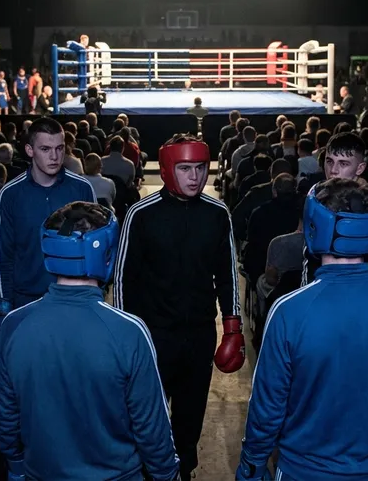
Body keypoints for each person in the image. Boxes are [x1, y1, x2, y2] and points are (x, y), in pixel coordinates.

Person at [239, 179, 368, 481]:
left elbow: (268, 405)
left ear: (315, 226)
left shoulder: (290, 311)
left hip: (303, 471)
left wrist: (252, 463)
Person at [0, 202, 181, 481]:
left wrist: (17, 467)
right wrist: (167, 474)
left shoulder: (13, 326)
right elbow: (151, 426)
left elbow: (5, 417)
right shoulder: (128, 331)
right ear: (106, 254)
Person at [113, 134, 242, 481]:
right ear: (169, 168)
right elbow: (123, 277)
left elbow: (228, 274)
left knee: (190, 415)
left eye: (200, 168)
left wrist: (233, 327)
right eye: (185, 168)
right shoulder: (141, 214)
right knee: (146, 413)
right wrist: (126, 337)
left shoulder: (217, 214)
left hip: (199, 333)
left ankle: (184, 470)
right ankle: (148, 471)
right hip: (153, 335)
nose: (194, 176)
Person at [0, 118, 95, 333]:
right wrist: (2, 307)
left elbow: (95, 246)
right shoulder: (10, 194)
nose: (54, 156)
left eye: (59, 148)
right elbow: (2, 254)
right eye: (45, 149)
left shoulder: (82, 188)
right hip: (26, 300)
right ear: (30, 150)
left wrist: (95, 295)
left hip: (74, 299)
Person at [302, 132, 368, 286]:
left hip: (362, 294)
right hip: (320, 291)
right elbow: (307, 256)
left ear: (360, 168)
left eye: (343, 164)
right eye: (329, 161)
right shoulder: (314, 196)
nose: (333, 170)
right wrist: (305, 292)